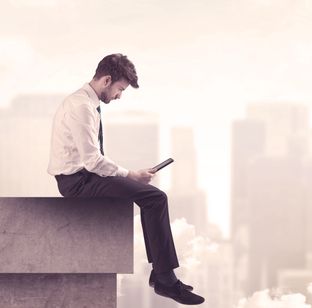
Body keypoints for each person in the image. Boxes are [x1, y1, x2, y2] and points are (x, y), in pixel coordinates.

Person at [47, 53, 205, 305]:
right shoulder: (82, 107)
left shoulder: (86, 103)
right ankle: (164, 279)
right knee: (155, 197)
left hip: (84, 176)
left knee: (150, 198)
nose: (120, 96)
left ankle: (163, 276)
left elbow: (92, 159)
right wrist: (131, 175)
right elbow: (92, 160)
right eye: (120, 89)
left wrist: (128, 177)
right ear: (106, 80)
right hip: (77, 182)